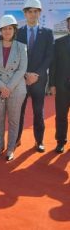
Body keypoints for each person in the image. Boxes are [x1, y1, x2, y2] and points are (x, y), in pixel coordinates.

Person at [16, 0, 54, 152]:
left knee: (38, 112)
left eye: (35, 11)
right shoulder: (18, 33)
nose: (32, 14)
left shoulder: (47, 33)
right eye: (29, 12)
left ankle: (39, 141)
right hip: (21, 79)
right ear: (25, 14)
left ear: (40, 13)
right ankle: (16, 139)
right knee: (19, 111)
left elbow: (49, 57)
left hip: (39, 80)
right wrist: (24, 74)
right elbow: (15, 57)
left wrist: (36, 74)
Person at [0, 15, 27, 161]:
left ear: (14, 30)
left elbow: (21, 69)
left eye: (10, 28)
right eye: (4, 28)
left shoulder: (22, 47)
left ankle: (11, 149)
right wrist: (1, 86)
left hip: (16, 90)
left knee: (13, 120)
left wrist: (8, 88)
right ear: (0, 31)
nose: (7, 31)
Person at [49, 13, 70, 154]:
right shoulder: (59, 42)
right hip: (63, 86)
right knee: (61, 115)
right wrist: (52, 84)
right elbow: (53, 65)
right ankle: (60, 141)